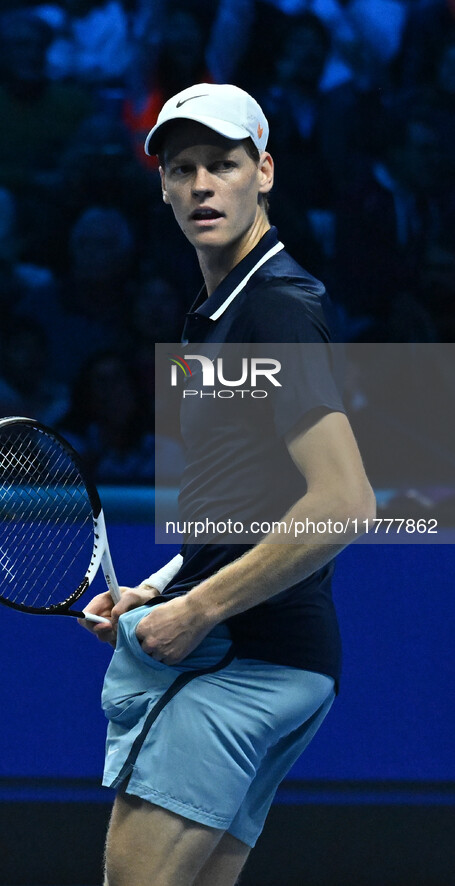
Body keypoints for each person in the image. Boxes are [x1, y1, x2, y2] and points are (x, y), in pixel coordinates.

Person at [80, 84, 376, 886]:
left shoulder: (274, 310)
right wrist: (161, 587)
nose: (202, 185)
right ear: (165, 186)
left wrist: (199, 610)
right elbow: (244, 505)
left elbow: (343, 501)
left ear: (265, 172)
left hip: (242, 660)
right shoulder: (214, 315)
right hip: (284, 658)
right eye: (183, 168)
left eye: (223, 163)